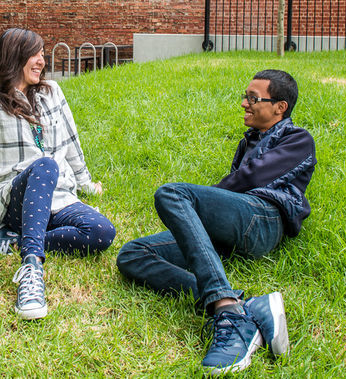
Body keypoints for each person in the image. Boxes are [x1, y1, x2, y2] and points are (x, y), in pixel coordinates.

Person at [116, 69, 316, 374]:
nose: (244, 104)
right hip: (237, 224)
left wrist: (198, 204)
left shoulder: (298, 139)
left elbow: (250, 179)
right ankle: (245, 306)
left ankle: (228, 314)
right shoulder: (248, 142)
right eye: (245, 97)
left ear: (280, 107)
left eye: (253, 98)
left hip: (263, 220)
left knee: (172, 195)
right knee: (132, 255)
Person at [0, 28, 116, 320]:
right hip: (15, 196)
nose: (41, 61)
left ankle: (11, 239)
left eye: (42, 54)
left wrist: (85, 184)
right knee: (45, 165)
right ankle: (32, 267)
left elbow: (72, 142)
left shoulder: (52, 92)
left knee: (101, 232)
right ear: (14, 57)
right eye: (35, 54)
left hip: (58, 197)